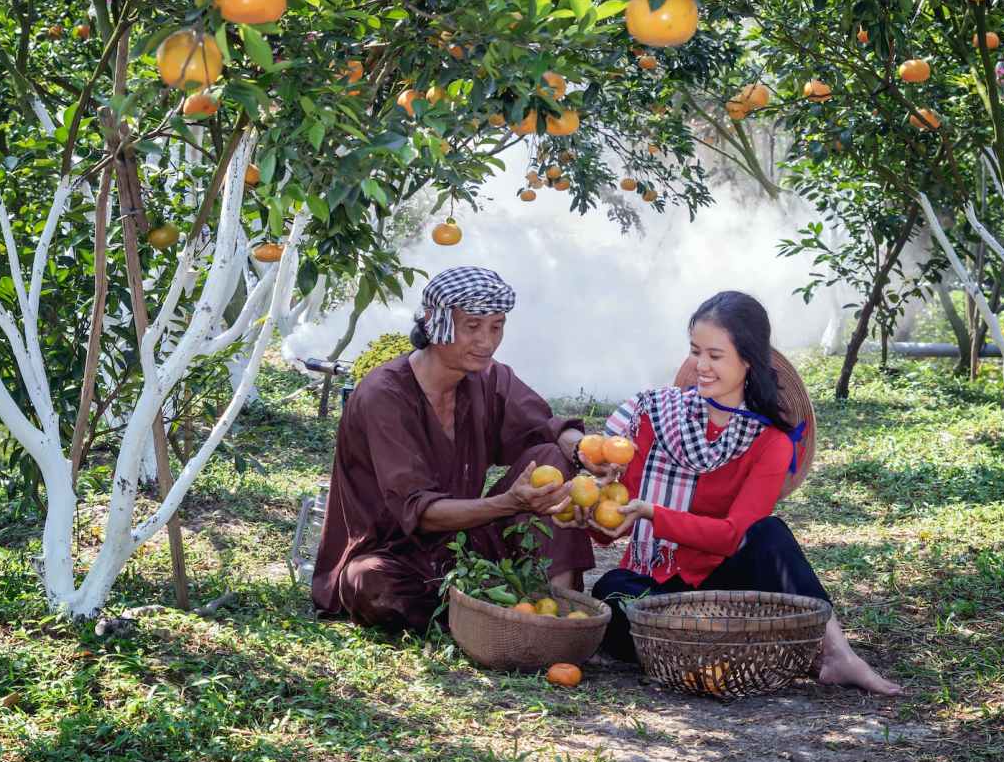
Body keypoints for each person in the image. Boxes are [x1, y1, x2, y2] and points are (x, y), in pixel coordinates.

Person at [561, 291, 901, 695]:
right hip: (655, 585)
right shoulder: (658, 417)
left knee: (770, 534)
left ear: (748, 360)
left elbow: (731, 535)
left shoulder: (771, 442)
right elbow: (618, 521)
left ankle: (836, 655)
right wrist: (594, 519)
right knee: (613, 593)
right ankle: (729, 648)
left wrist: (654, 514)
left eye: (715, 355)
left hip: (726, 585)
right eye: (695, 351)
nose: (701, 366)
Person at [311, 266, 602, 633]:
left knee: (551, 459)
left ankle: (555, 617)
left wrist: (584, 451)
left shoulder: (489, 377)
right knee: (372, 585)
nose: (487, 341)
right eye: (473, 326)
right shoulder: (384, 395)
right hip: (391, 553)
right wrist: (510, 503)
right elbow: (420, 510)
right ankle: (483, 611)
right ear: (436, 324)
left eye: (496, 326)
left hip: (463, 544)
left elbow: (543, 428)